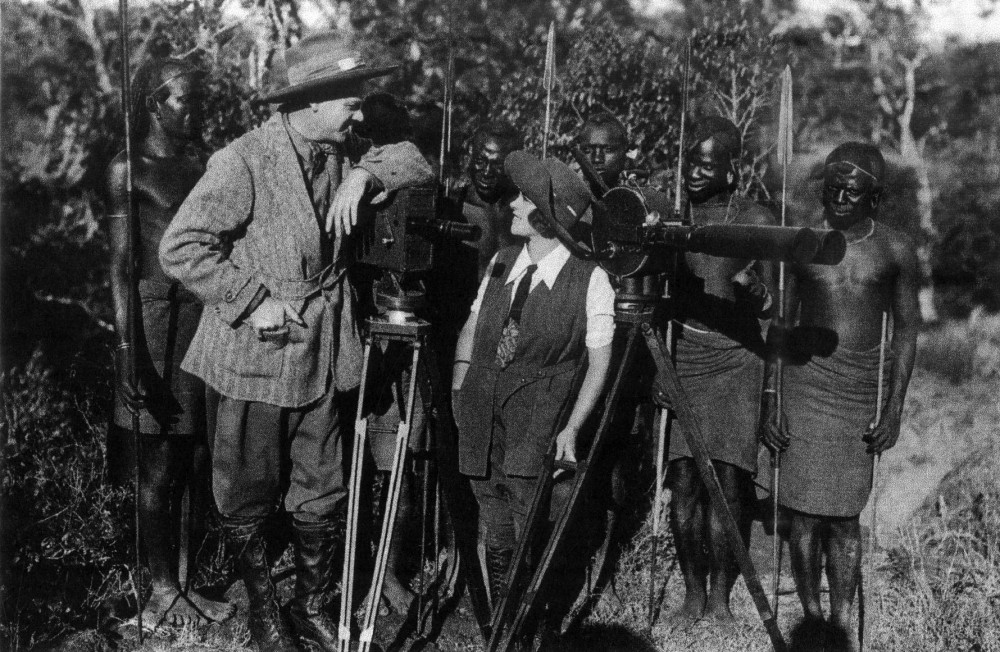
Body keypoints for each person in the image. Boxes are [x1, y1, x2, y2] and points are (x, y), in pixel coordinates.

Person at [159, 32, 433, 652]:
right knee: (247, 492)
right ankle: (263, 609)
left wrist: (363, 175)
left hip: (325, 349)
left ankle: (309, 605)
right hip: (255, 353)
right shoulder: (244, 161)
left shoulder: (343, 151)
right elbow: (181, 246)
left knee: (323, 488)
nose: (359, 116)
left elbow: (413, 158)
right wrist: (250, 300)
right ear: (310, 102)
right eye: (350, 103)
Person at [451, 151, 615, 644]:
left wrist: (572, 428)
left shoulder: (590, 278)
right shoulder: (502, 260)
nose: (513, 205)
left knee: (531, 526)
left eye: (524, 199)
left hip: (538, 417)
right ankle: (505, 630)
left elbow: (599, 364)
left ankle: (534, 628)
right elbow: (473, 327)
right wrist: (460, 386)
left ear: (548, 216)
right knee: (493, 521)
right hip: (482, 410)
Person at [761, 142, 919, 642]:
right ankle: (813, 621)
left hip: (858, 392)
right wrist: (772, 398)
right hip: (806, 386)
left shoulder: (895, 249)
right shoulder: (803, 241)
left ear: (875, 198)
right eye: (832, 189)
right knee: (804, 516)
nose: (840, 198)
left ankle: (843, 625)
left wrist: (893, 409)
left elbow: (907, 331)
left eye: (851, 191)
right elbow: (781, 324)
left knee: (846, 517)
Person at [104, 56, 233, 629]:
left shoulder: (203, 164)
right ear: (155, 103)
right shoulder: (127, 169)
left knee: (195, 457)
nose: (196, 109)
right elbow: (120, 267)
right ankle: (160, 591)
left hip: (203, 320)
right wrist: (127, 352)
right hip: (154, 325)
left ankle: (186, 583)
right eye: (186, 98)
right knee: (157, 464)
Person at [665, 116, 777, 625]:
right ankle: (692, 593)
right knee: (685, 481)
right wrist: (660, 370)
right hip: (686, 356)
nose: (694, 172)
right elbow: (657, 302)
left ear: (731, 171)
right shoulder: (673, 217)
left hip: (737, 361)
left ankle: (720, 599)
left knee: (728, 483)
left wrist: (758, 292)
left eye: (706, 165)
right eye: (691, 162)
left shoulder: (756, 218)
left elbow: (776, 307)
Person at [455, 122, 520, 280]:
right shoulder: (454, 207)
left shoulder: (525, 212)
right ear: (470, 156)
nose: (486, 172)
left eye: (498, 165)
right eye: (480, 161)